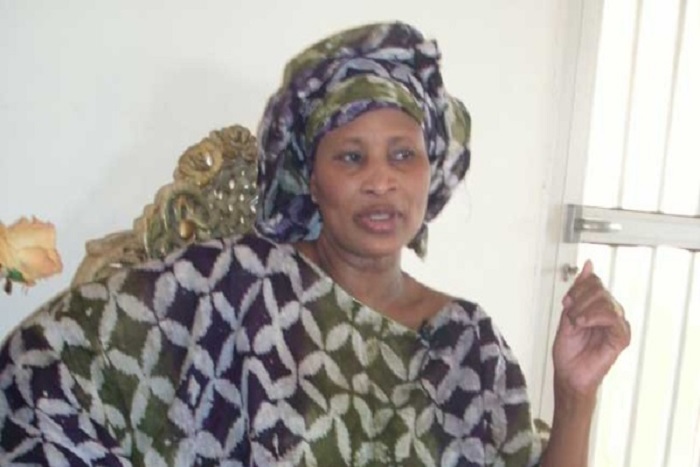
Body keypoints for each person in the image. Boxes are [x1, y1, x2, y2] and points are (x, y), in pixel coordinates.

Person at [0, 22, 630, 466]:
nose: (381, 180)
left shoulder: (468, 345)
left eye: (403, 156)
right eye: (351, 157)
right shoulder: (231, 290)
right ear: (310, 179)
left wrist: (576, 396)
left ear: (430, 174)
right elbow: (37, 372)